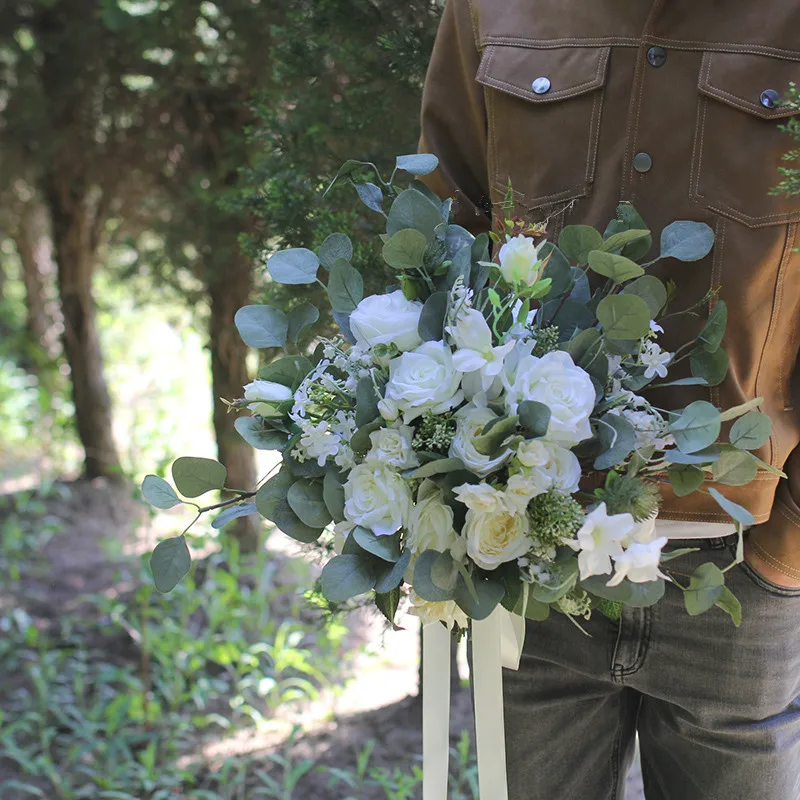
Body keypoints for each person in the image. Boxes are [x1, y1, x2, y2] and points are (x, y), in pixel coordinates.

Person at [417, 2, 800, 798]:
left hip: (741, 573)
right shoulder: (491, 8)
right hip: (529, 564)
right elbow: (440, 240)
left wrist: (789, 549)